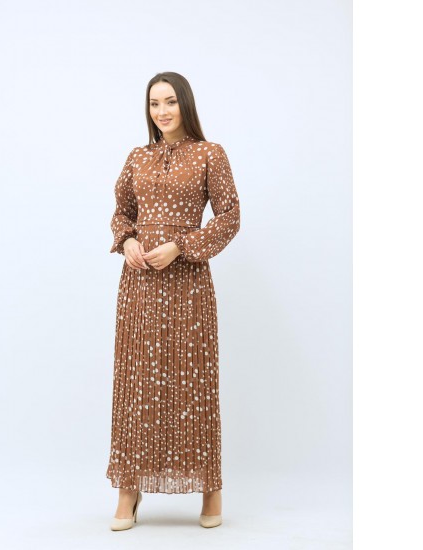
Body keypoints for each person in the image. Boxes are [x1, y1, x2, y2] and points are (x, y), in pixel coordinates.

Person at [107, 71, 240, 531]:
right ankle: (129, 489)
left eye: (169, 102)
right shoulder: (137, 157)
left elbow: (230, 215)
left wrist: (181, 247)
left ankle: (210, 488)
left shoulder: (210, 154)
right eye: (154, 103)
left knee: (193, 378)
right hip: (140, 283)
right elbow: (122, 212)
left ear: (185, 103)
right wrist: (128, 241)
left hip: (188, 283)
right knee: (137, 380)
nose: (161, 111)